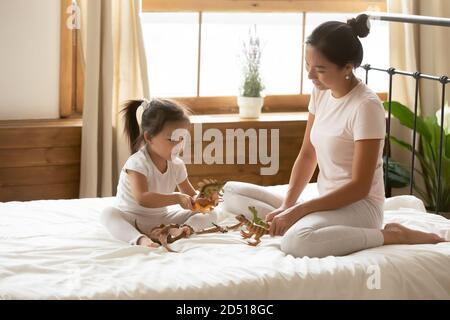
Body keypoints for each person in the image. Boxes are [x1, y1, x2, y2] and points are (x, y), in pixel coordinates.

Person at [222, 14, 446, 258]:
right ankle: (304, 216)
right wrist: (288, 205)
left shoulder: (366, 106)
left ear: (348, 68)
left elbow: (360, 187)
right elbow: (308, 155)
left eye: (319, 69)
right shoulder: (321, 92)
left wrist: (299, 211)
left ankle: (392, 234)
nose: (310, 76)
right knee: (231, 192)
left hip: (360, 207)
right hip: (326, 201)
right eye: (308, 66)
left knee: (297, 242)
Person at [101, 98, 216, 248]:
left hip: (162, 219)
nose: (178, 146)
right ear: (149, 137)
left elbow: (190, 194)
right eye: (171, 139)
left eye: (181, 139)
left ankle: (182, 230)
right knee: (108, 214)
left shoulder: (177, 165)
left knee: (212, 214)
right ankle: (140, 239)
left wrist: (203, 200)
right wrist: (177, 198)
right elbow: (142, 198)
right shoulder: (137, 163)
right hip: (131, 218)